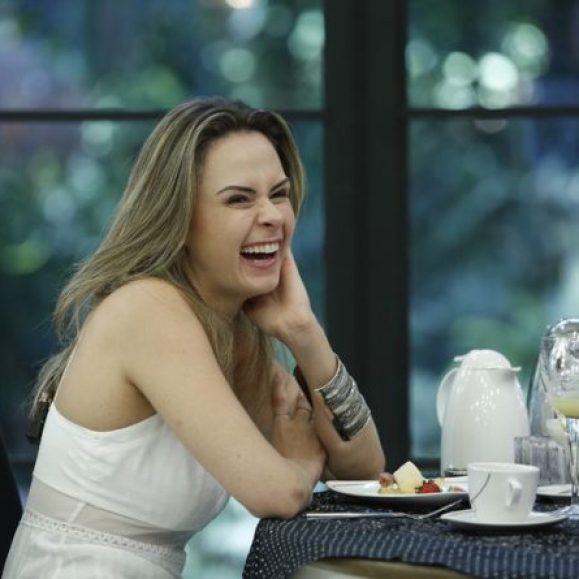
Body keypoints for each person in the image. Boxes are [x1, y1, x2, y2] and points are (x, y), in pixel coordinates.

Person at [2, 97, 385, 578]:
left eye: (279, 194)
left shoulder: (234, 333)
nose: (272, 216)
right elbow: (278, 494)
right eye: (239, 199)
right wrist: (302, 461)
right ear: (180, 219)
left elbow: (364, 470)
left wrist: (305, 333)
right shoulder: (149, 310)